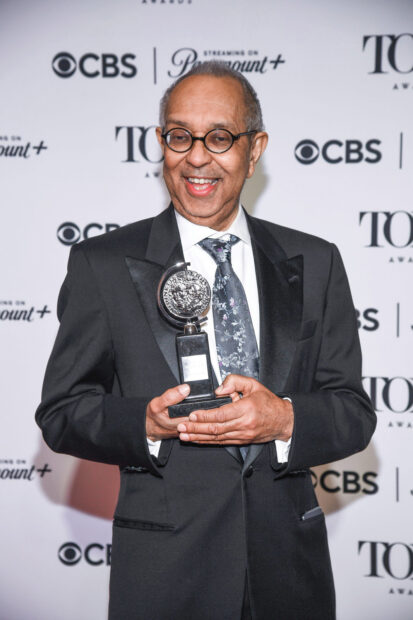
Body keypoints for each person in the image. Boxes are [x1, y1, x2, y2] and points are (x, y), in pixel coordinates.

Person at [36, 61, 376, 620]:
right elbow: (62, 412)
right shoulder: (102, 265)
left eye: (219, 138)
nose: (197, 156)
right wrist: (142, 424)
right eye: (179, 136)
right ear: (160, 143)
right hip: (166, 577)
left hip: (290, 576)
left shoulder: (315, 262)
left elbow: (353, 412)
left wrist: (285, 419)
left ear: (255, 146)